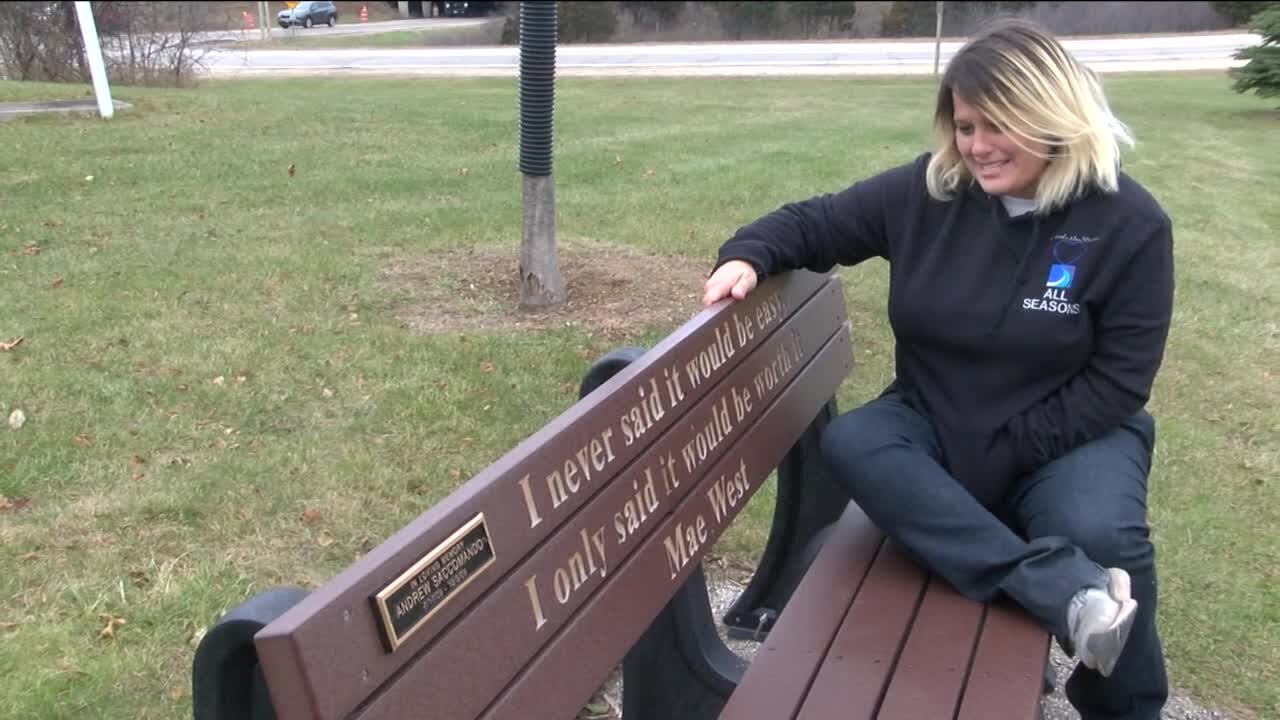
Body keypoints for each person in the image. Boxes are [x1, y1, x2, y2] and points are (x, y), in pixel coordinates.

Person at [702, 18, 1174, 720]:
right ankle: (1055, 591)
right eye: (964, 126)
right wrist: (747, 254)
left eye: (996, 125)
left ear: (1050, 115)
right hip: (932, 413)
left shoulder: (1130, 223)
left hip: (1075, 432)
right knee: (857, 441)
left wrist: (1003, 453)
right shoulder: (927, 195)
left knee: (1103, 537)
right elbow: (815, 222)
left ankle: (1125, 706)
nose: (975, 147)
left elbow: (1119, 381)